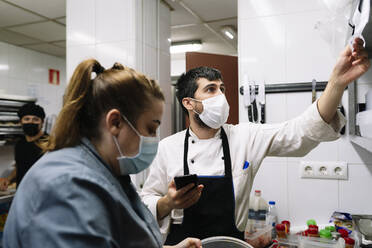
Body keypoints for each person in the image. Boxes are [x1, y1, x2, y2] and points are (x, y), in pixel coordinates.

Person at [141, 38, 370, 245]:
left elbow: (300, 131)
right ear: (189, 103)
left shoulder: (244, 136)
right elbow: (146, 202)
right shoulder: (166, 148)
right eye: (210, 90)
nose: (220, 97)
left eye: (222, 89)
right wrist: (167, 203)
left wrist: (337, 83)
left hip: (232, 245)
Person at [3, 59, 201, 248]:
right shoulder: (68, 187)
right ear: (115, 122)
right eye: (150, 129)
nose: (153, 138)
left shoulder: (107, 172)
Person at [0, 103, 47, 191]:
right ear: (20, 122)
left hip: (42, 193)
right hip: (22, 192)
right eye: (27, 119)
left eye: (35, 119)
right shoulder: (20, 144)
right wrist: (8, 179)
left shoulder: (49, 143)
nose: (31, 122)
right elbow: (20, 166)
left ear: (42, 122)